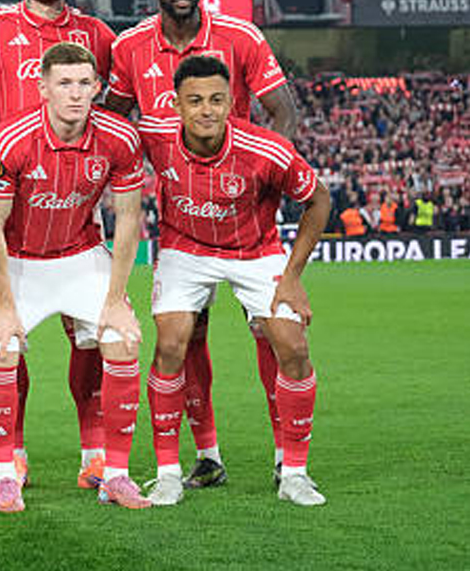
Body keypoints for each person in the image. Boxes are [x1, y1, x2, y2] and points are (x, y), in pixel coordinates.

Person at [104, 0, 300, 488]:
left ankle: (287, 457)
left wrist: (262, 176)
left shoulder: (241, 37)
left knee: (270, 331)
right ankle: (207, 455)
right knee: (183, 339)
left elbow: (284, 113)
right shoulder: (129, 48)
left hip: (248, 223)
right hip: (182, 224)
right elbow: (113, 123)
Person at [137, 55, 329, 506]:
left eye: (218, 100)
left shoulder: (266, 150)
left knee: (294, 346)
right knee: (170, 344)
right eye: (196, 100)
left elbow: (317, 200)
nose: (207, 110)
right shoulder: (154, 137)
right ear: (177, 105)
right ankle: (167, 472)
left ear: (232, 103)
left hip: (255, 251)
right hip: (184, 248)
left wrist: (294, 277)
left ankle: (295, 474)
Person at [0, 0, 119, 489]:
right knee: (9, 332)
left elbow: (116, 97)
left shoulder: (98, 34)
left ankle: (95, 451)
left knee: (89, 334)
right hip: (11, 196)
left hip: (75, 196)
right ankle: (17, 451)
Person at [0, 42, 151, 511]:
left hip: (80, 256)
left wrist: (116, 298)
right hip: (18, 262)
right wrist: (6, 306)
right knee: (1, 346)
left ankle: (114, 474)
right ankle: (5, 476)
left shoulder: (119, 138)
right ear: (43, 89)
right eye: (64, 84)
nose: (75, 94)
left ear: (97, 87)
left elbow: (129, 218)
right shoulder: (12, 140)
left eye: (83, 84)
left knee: (122, 339)